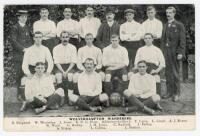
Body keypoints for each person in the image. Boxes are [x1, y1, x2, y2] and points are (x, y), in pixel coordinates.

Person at [161, 6, 186, 102]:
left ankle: (176, 93)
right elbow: (163, 41)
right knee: (167, 73)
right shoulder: (165, 25)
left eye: (170, 12)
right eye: (167, 12)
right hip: (166, 53)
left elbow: (182, 41)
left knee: (175, 73)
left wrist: (180, 52)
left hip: (175, 53)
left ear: (174, 14)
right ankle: (169, 92)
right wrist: (162, 52)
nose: (168, 14)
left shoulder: (179, 25)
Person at [10, 10, 33, 101]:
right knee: (19, 75)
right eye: (22, 16)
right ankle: (19, 95)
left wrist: (31, 50)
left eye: (25, 17)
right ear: (18, 17)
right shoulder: (15, 27)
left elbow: (30, 41)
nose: (24, 18)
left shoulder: (27, 27)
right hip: (19, 55)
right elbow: (13, 41)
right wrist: (23, 49)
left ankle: (27, 94)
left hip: (28, 55)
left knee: (27, 73)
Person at [102, 34, 129, 106]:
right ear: (110, 40)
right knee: (107, 76)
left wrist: (114, 67)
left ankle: (124, 98)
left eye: (116, 40)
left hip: (120, 68)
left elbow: (126, 63)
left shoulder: (123, 49)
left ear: (119, 40)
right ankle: (107, 98)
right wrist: (116, 65)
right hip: (110, 68)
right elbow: (104, 63)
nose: (114, 42)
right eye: (113, 40)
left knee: (125, 76)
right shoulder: (106, 49)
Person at [53, 31, 77, 102]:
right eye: (63, 37)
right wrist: (63, 71)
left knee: (70, 75)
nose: (65, 39)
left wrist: (66, 71)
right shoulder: (56, 48)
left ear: (69, 38)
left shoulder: (73, 47)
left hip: (70, 66)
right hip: (59, 66)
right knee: (58, 76)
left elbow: (73, 61)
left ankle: (70, 97)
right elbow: (56, 61)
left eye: (66, 37)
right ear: (60, 38)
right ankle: (62, 97)